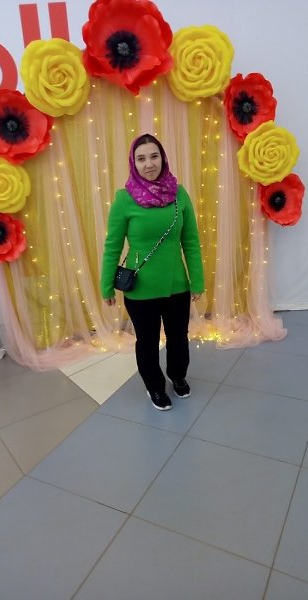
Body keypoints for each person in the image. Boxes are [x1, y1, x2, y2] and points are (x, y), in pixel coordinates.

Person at [100, 133, 204, 411]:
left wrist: (197, 280)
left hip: (177, 285)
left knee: (178, 338)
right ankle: (154, 386)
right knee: (146, 342)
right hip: (140, 288)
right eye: (141, 158)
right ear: (133, 163)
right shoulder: (124, 199)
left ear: (163, 158)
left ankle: (177, 375)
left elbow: (191, 242)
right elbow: (112, 246)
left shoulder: (179, 194)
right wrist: (106, 285)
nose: (149, 164)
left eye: (154, 156)